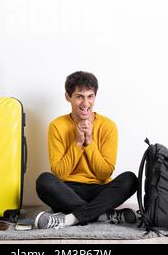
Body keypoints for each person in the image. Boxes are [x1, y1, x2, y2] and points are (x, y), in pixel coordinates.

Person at [34, 71, 139, 229]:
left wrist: (89, 143)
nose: (86, 103)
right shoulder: (57, 126)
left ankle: (69, 218)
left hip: (99, 190)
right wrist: (77, 143)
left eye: (90, 96)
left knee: (130, 179)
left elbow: (104, 174)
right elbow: (60, 173)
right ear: (68, 97)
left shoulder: (108, 126)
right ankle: (103, 214)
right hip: (68, 191)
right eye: (79, 96)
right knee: (44, 181)